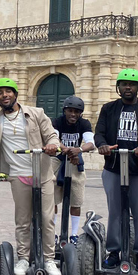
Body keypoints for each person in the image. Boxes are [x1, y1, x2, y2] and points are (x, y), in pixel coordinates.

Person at [0, 78, 62, 275]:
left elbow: (52, 135)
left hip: (42, 174)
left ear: (15, 94)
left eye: (8, 91)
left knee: (47, 219)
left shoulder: (36, 114)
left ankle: (49, 260)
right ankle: (23, 258)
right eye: (0, 93)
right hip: (18, 176)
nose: (4, 95)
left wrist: (53, 145)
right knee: (22, 221)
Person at [95, 68, 138, 272]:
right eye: (124, 84)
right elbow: (99, 133)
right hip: (114, 168)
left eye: (132, 84)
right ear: (118, 87)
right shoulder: (108, 109)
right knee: (115, 211)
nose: (128, 87)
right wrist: (103, 146)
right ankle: (114, 252)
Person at [52, 96, 95, 247]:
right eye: (70, 111)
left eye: (77, 112)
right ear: (65, 111)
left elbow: (91, 142)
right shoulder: (57, 122)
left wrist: (79, 150)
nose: (73, 114)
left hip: (75, 160)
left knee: (76, 200)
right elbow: (54, 139)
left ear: (81, 113)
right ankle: (53, 234)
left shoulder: (84, 123)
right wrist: (67, 150)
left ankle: (74, 235)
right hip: (58, 160)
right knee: (53, 199)